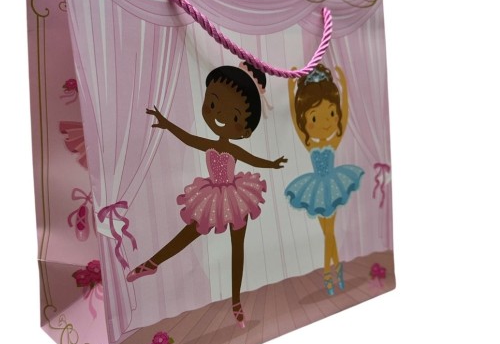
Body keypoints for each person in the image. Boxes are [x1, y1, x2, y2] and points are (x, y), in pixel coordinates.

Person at [126, 62, 287, 328]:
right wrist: (166, 124)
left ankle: (236, 302)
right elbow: (189, 139)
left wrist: (271, 164)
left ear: (244, 129)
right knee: (190, 231)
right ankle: (153, 262)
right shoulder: (211, 144)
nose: (220, 116)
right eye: (213, 104)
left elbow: (253, 159)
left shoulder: (233, 149)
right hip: (213, 195)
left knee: (237, 247)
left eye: (233, 116)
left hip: (236, 197)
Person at [285, 63, 364, 296]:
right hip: (317, 190)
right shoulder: (309, 143)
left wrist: (344, 88)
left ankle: (330, 273)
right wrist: (291, 92)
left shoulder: (334, 140)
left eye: (331, 113)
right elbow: (295, 120)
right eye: (314, 117)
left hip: (333, 185)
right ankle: (335, 270)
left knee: (328, 233)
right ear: (306, 120)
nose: (326, 121)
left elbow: (345, 116)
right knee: (328, 233)